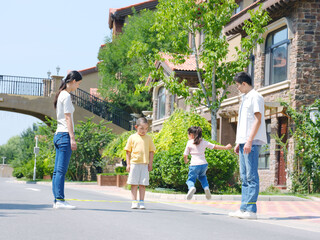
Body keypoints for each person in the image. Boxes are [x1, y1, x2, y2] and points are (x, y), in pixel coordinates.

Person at [229, 72, 267, 220]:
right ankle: (244, 208)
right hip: (244, 141)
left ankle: (251, 210)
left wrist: (250, 140)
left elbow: (258, 119)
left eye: (238, 85)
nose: (237, 88)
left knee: (251, 176)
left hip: (252, 141)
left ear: (244, 83)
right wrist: (240, 142)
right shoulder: (245, 98)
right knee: (244, 177)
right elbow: (245, 123)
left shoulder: (256, 97)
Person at [52, 70, 82, 210]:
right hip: (64, 135)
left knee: (57, 171)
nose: (78, 87)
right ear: (73, 81)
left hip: (58, 135)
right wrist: (72, 138)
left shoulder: (60, 94)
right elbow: (68, 118)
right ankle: (60, 200)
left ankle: (57, 200)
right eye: (78, 84)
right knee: (61, 171)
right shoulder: (67, 96)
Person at [183, 126, 232, 200]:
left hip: (194, 165)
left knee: (190, 180)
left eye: (188, 134)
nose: (188, 136)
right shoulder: (203, 142)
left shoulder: (189, 143)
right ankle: (206, 188)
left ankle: (191, 188)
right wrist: (225, 147)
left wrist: (186, 160)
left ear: (191, 135)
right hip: (204, 164)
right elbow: (214, 146)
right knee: (202, 177)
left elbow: (185, 155)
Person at [125, 117, 156, 209]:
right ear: (136, 127)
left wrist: (150, 163)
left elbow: (151, 151)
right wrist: (128, 164)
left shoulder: (148, 138)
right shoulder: (132, 137)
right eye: (141, 128)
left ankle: (141, 202)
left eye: (146, 129)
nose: (144, 131)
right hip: (134, 163)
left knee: (143, 184)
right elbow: (128, 151)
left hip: (144, 164)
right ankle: (134, 202)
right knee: (134, 184)